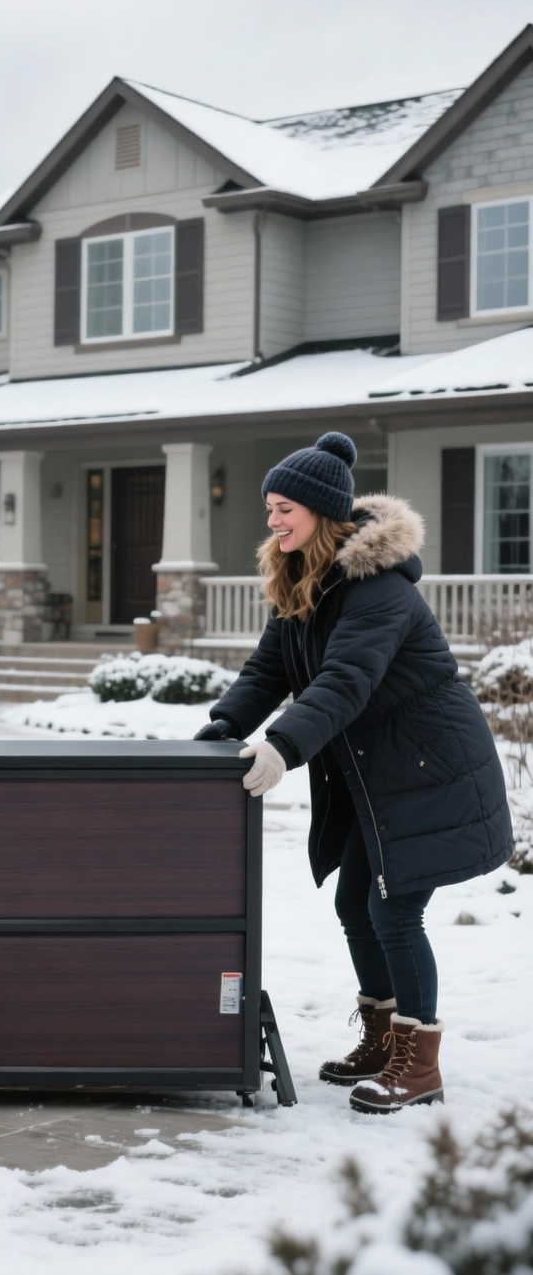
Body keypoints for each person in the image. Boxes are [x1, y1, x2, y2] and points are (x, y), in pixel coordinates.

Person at [195, 433, 511, 1113]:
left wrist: (282, 746)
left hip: (430, 768)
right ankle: (381, 1038)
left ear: (320, 511)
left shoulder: (377, 590)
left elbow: (345, 682)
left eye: (285, 508)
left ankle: (417, 1064)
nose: (274, 519)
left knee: (392, 911)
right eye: (270, 508)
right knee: (354, 904)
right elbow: (269, 670)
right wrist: (224, 727)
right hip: (381, 773)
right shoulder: (303, 581)